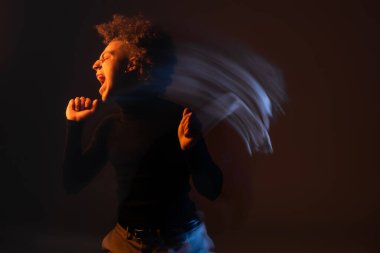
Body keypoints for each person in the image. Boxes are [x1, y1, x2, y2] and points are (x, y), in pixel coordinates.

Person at [62, 14, 223, 253]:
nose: (95, 64)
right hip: (126, 243)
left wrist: (193, 148)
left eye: (106, 57)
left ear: (133, 63)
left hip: (182, 242)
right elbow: (72, 183)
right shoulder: (110, 127)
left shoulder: (176, 119)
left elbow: (212, 190)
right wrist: (75, 126)